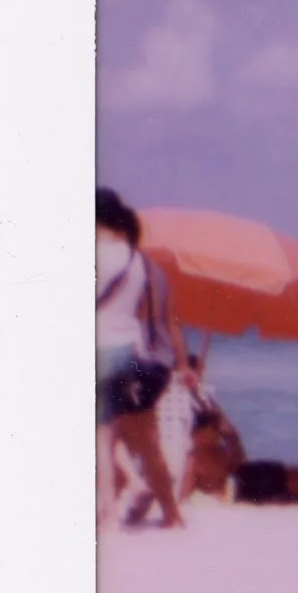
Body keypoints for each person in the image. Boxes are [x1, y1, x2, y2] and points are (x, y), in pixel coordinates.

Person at [96, 188, 186, 530]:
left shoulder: (103, 260)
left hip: (117, 353)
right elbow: (169, 322)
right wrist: (183, 365)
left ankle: (123, 505)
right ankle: (169, 513)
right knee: (140, 441)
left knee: (112, 438)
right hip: (145, 360)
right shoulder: (147, 266)